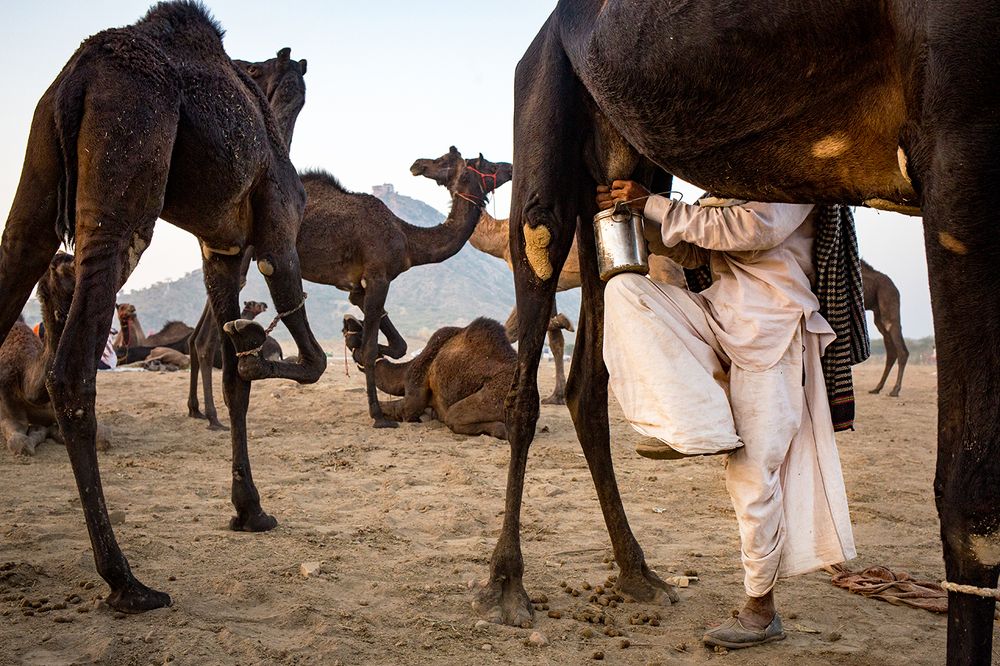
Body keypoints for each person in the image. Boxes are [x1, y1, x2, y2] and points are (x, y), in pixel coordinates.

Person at [596, 181, 863, 649]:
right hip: (719, 315)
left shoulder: (793, 180)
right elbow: (703, 249)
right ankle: (694, 427)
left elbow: (750, 229)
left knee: (754, 476)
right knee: (626, 291)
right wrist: (632, 213)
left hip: (774, 332)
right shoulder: (727, 186)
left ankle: (760, 611)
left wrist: (654, 204)